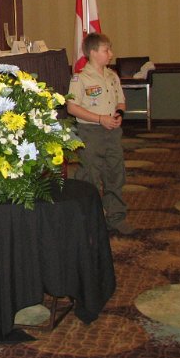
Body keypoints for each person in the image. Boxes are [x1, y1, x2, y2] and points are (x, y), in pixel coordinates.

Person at [67, 33, 133, 235]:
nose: (111, 54)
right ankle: (91, 221)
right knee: (90, 177)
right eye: (106, 50)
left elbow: (121, 101)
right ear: (93, 53)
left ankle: (116, 217)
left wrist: (119, 114)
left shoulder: (112, 76)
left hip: (112, 131)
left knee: (115, 173)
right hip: (91, 132)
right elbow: (71, 108)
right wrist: (99, 119)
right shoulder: (80, 78)